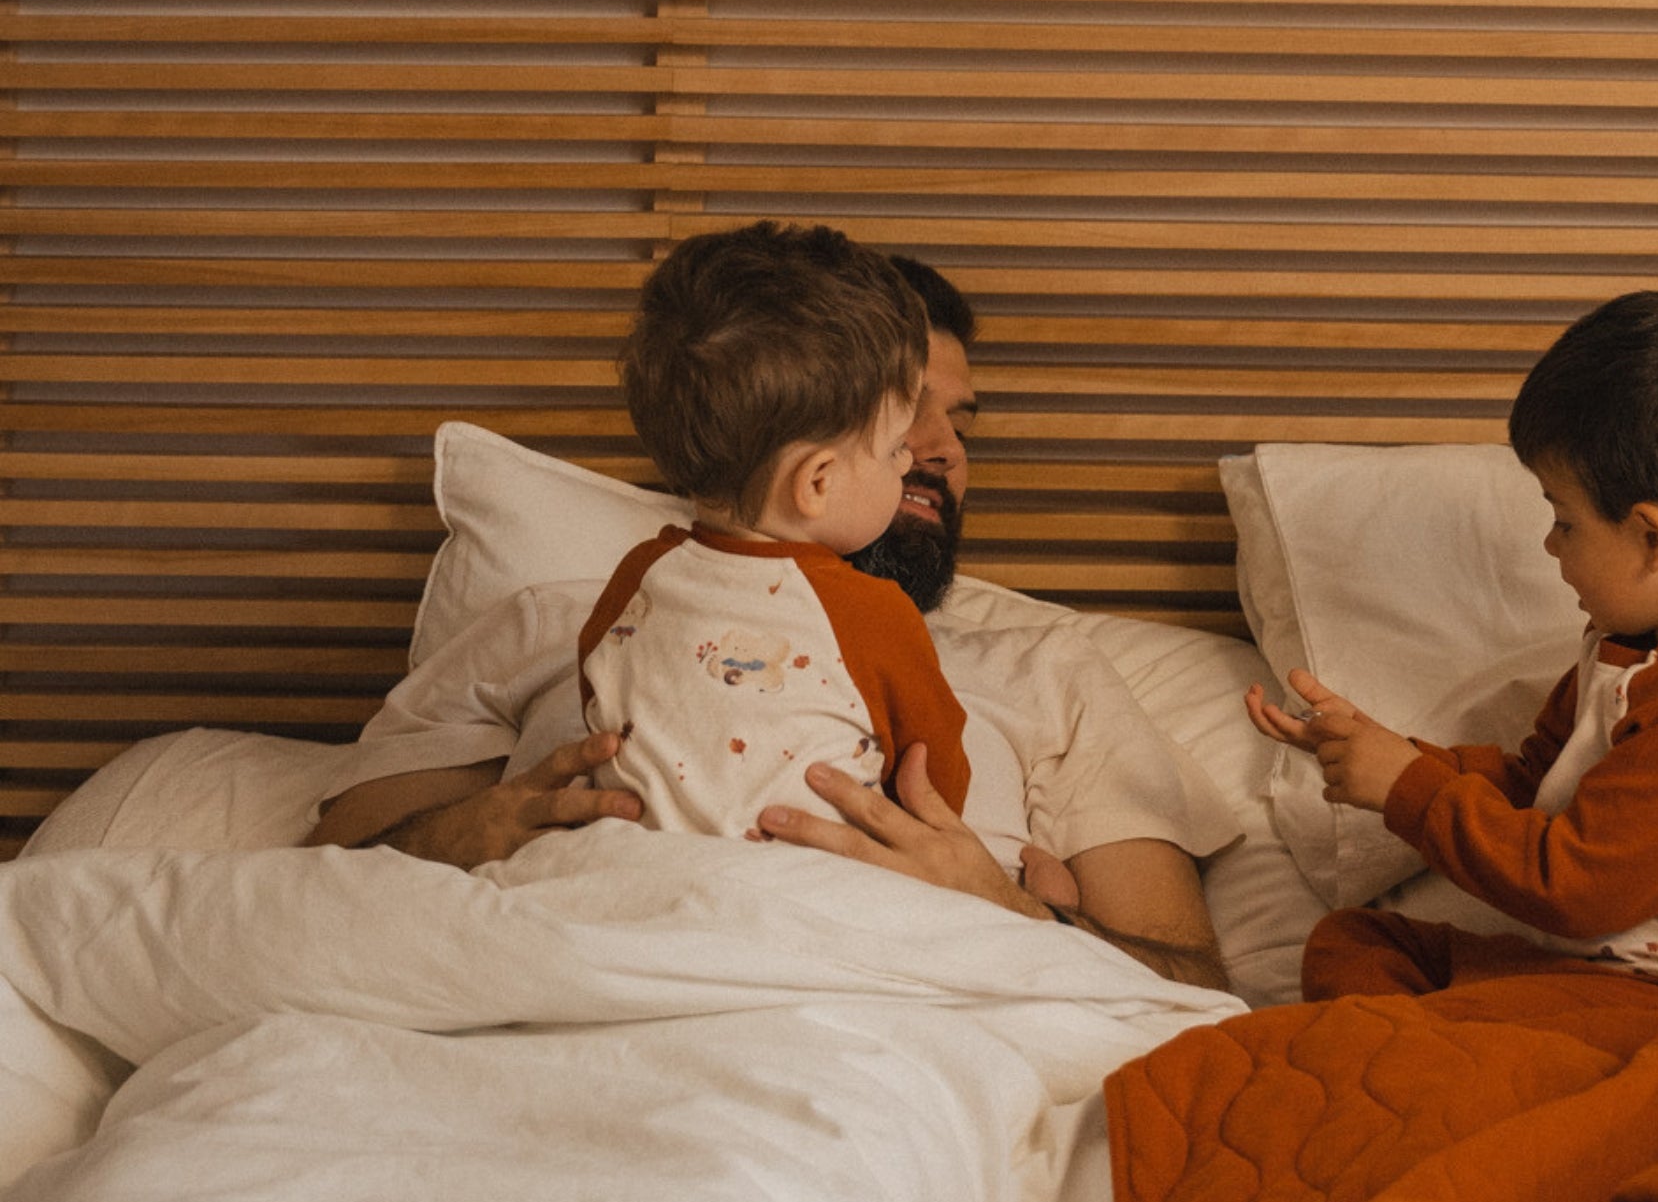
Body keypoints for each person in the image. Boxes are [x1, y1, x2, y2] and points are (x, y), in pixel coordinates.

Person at [305, 247, 1233, 991]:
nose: (939, 452)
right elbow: (309, 889)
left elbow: (1193, 991)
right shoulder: (562, 618)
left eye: (962, 425)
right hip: (570, 968)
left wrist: (1013, 911)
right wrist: (479, 831)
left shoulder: (1044, 666)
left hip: (897, 1024)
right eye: (905, 422)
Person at [1245, 289, 1658, 1003]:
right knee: (1357, 943)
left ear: (1653, 540)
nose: (1550, 544)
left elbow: (1579, 890)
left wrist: (1409, 789)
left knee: (1451, 1053)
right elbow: (1538, 784)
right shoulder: (1634, 644)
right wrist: (1383, 754)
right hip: (1595, 975)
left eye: (1564, 521)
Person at [578, 222, 971, 834]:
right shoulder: (874, 612)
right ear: (817, 482)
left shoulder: (637, 575)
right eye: (895, 447)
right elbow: (933, 784)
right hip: (804, 887)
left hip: (628, 866)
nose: (909, 461)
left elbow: (598, 702)